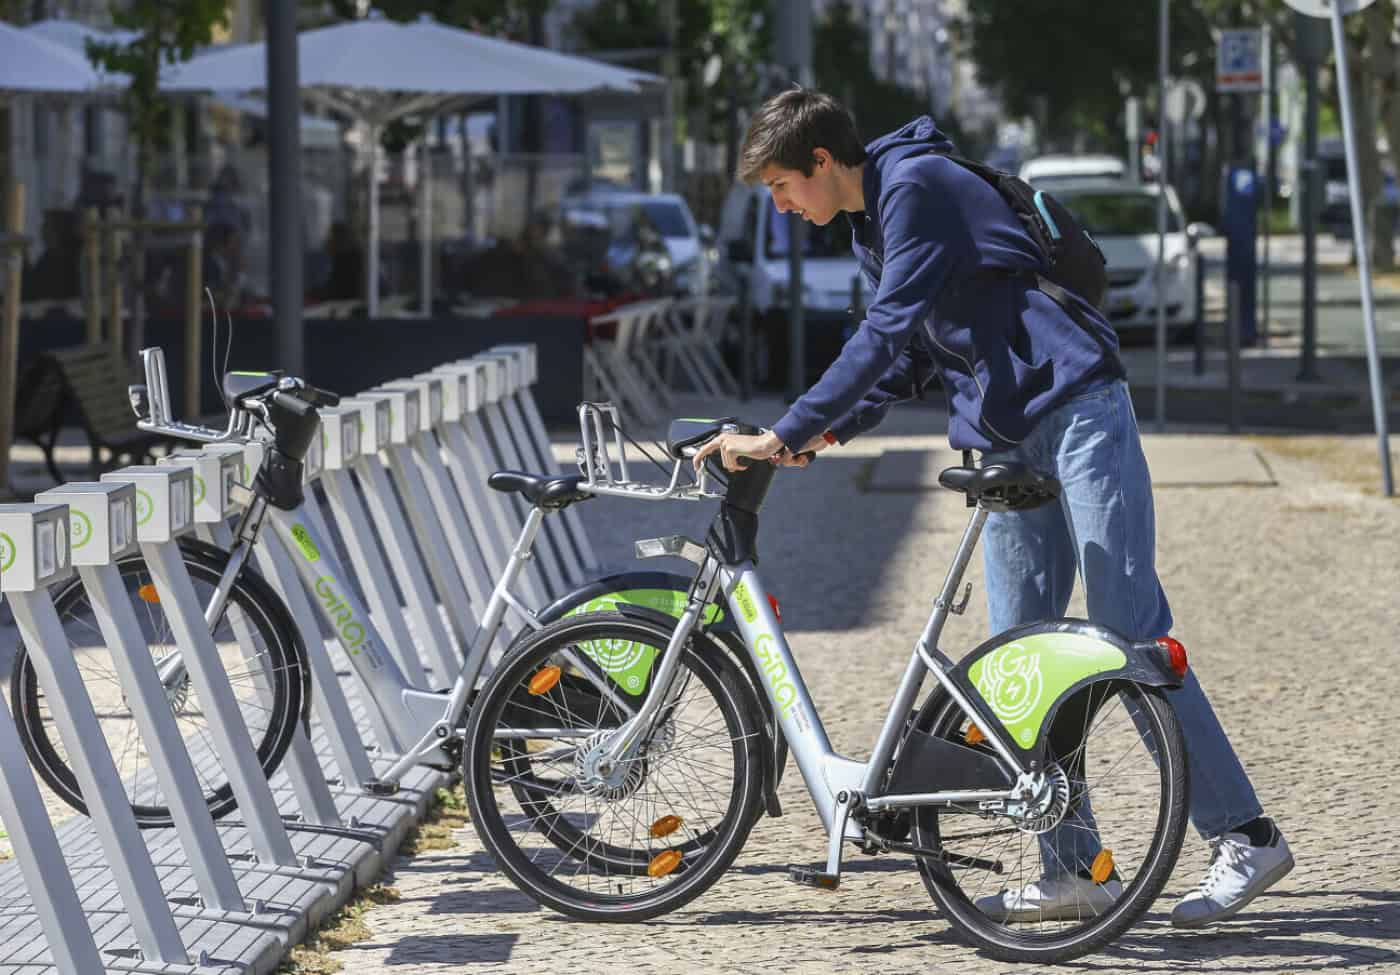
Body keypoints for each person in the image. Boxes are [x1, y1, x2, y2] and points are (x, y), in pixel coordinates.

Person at [692, 87, 1292, 928]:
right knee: (1019, 653)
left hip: (1079, 407)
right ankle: (1076, 867)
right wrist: (814, 439)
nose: (781, 205)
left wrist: (793, 423)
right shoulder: (876, 224)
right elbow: (905, 360)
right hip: (1009, 441)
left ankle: (1247, 834)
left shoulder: (916, 188)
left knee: (1129, 631)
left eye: (783, 186)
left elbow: (884, 329)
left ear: (823, 162)